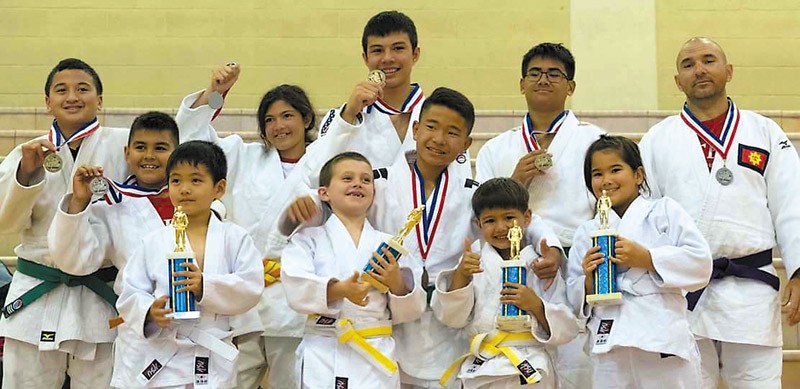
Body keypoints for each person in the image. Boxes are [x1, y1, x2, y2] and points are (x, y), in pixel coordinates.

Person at [282, 87, 563, 388]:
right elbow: (329, 202)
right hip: (390, 323)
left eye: (452, 132)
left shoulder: (470, 191)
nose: (439, 139)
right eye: (431, 127)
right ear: (415, 130)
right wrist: (305, 206)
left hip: (448, 324)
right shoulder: (379, 181)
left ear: (466, 144)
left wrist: (551, 245)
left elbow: (513, 215)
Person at [638, 36, 800, 388]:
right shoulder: (656, 140)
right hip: (683, 293)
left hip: (752, 293)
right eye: (687, 64)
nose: (699, 70)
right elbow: (646, 219)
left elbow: (793, 206)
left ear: (728, 71)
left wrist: (799, 270)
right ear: (677, 81)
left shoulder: (765, 132)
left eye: (708, 60)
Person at [176, 64, 337, 388]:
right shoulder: (242, 155)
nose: (279, 126)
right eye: (269, 119)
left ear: (306, 119)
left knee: (289, 382)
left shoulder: (325, 163)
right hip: (243, 293)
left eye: (287, 116)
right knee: (231, 381)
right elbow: (192, 142)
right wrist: (214, 93)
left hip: (292, 299)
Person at [473, 42, 604, 389]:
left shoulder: (593, 140)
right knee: (515, 367)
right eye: (535, 73)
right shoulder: (496, 148)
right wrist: (514, 183)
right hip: (510, 266)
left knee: (577, 370)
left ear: (570, 87)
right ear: (521, 83)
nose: (543, 80)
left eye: (554, 74)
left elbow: (606, 210)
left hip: (575, 267)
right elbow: (483, 213)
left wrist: (562, 255)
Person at [0, 58, 130, 388]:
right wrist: (26, 175)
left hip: (101, 295)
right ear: (48, 103)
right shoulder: (25, 154)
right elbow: (6, 222)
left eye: (82, 89)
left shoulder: (126, 145)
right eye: (61, 90)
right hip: (37, 293)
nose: (72, 96)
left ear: (99, 99)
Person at [567, 135, 712, 388]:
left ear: (638, 175)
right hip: (610, 340)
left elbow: (700, 263)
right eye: (597, 174)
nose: (606, 180)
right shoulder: (586, 231)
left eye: (615, 169)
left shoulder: (665, 211)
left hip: (660, 335)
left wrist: (647, 258)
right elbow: (573, 292)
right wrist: (588, 282)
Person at [115, 141, 263, 388]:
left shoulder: (235, 237)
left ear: (219, 188)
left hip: (211, 353)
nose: (184, 189)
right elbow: (130, 291)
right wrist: (149, 311)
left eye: (196, 181)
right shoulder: (153, 240)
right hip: (163, 353)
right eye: (176, 181)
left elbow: (251, 286)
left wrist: (206, 286)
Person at [281, 151, 425, 388]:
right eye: (347, 178)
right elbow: (296, 284)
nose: (358, 183)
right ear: (324, 192)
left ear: (373, 193)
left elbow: (412, 307)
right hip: (323, 349)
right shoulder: (307, 239)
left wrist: (396, 281)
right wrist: (339, 290)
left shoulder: (390, 243)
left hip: (374, 350)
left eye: (366, 180)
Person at [433, 178, 579, 388]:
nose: (501, 227)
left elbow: (568, 327)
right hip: (483, 364)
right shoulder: (473, 261)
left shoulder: (540, 265)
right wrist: (461, 276)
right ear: (478, 224)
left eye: (509, 217)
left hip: (531, 364)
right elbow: (452, 319)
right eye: (490, 220)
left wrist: (536, 306)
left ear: (527, 217)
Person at [314, 10, 470, 181]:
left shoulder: (443, 117)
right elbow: (317, 177)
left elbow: (458, 185)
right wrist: (348, 116)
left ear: (415, 54)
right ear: (365, 58)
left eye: (398, 48)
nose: (387, 58)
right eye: (377, 50)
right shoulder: (343, 117)